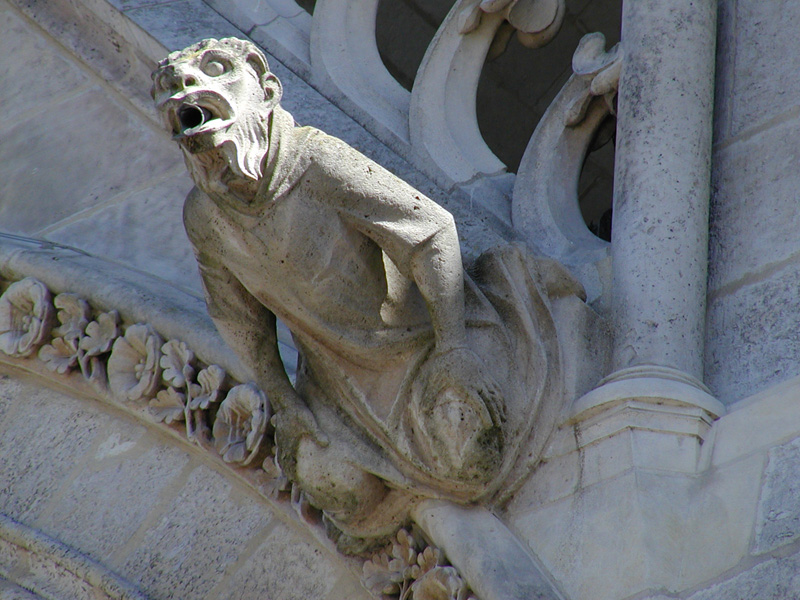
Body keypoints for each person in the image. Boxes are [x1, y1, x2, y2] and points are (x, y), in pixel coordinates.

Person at [152, 38, 577, 545]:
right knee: (332, 485)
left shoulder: (315, 163)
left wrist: (455, 349)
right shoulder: (205, 218)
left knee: (471, 458)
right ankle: (408, 506)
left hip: (426, 349)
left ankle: (425, 483)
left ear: (265, 89)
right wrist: (285, 402)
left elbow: (431, 233)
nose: (185, 88)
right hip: (340, 387)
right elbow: (239, 321)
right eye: (171, 89)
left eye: (215, 70)